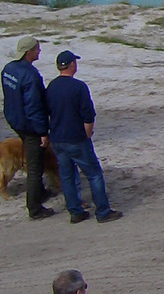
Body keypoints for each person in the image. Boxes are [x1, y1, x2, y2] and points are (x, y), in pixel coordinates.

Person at [46, 50, 122, 224]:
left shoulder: (51, 87)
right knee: (94, 174)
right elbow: (88, 114)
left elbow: (47, 112)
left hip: (58, 138)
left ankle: (75, 211)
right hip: (76, 138)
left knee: (67, 176)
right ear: (72, 64)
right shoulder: (79, 87)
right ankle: (103, 211)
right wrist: (87, 134)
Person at [1, 35, 54, 219]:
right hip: (30, 126)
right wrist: (42, 132)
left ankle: (40, 192)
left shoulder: (9, 69)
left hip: (15, 120)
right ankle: (34, 207)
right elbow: (34, 107)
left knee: (33, 157)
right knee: (35, 167)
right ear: (29, 52)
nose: (39, 52)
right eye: (37, 49)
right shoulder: (30, 76)